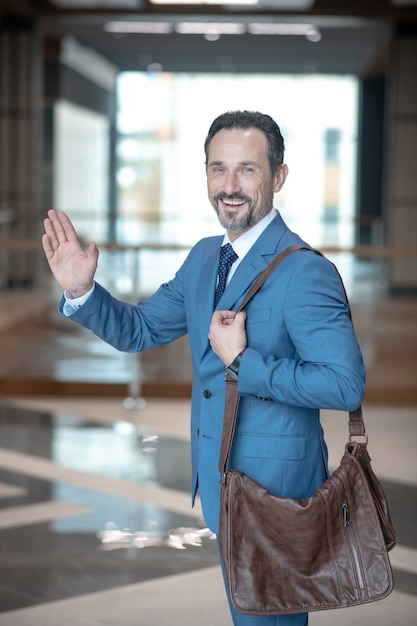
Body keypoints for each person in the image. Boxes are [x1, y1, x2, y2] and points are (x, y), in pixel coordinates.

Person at [42, 110, 366, 626]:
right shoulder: (203, 259)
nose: (230, 186)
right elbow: (140, 329)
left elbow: (345, 385)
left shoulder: (305, 271)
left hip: (274, 496)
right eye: (218, 169)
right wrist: (82, 291)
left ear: (278, 177)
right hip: (223, 487)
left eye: (247, 170)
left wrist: (243, 360)